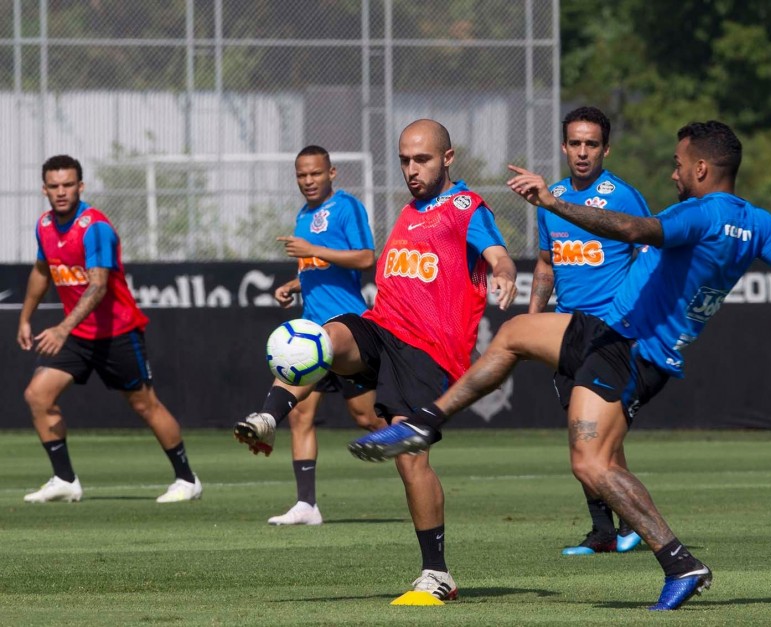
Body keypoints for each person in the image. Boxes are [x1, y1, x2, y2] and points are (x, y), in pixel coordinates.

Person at [348, 121, 771, 610]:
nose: (672, 174)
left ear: (703, 170)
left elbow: (631, 228)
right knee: (516, 335)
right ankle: (426, 420)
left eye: (678, 165)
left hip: (632, 350)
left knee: (591, 464)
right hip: (609, 331)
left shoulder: (702, 214)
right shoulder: (759, 223)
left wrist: (552, 203)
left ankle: (680, 562)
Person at [237, 119, 518, 603]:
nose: (411, 169)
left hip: (429, 351)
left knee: (411, 460)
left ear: (448, 158)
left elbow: (497, 252)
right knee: (318, 340)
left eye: (422, 159)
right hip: (382, 326)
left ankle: (437, 574)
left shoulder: (465, 206)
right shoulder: (410, 211)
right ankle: (267, 416)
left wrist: (505, 271)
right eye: (405, 160)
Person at [18, 154, 203, 504]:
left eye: (68, 185)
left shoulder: (95, 227)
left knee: (145, 405)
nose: (61, 192)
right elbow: (42, 271)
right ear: (44, 189)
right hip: (78, 336)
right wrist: (26, 317)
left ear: (80, 186)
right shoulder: (44, 226)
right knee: (37, 395)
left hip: (117, 332)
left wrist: (61, 329)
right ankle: (65, 479)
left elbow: (98, 286)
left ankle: (187, 479)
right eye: (54, 186)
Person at [233, 145, 385, 525]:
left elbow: (367, 258)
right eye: (302, 175)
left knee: (366, 418)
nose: (308, 181)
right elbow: (317, 267)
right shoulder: (303, 215)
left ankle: (412, 444)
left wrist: (313, 249)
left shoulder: (347, 207)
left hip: (347, 329)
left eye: (315, 174)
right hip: (311, 336)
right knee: (301, 416)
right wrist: (294, 285)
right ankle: (307, 505)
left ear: (332, 173)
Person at [532, 106, 649, 556]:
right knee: (579, 433)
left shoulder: (623, 196)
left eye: (591, 144)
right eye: (575, 144)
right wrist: (534, 319)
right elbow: (546, 265)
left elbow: (650, 255)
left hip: (611, 332)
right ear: (564, 147)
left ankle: (632, 522)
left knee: (600, 434)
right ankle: (603, 531)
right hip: (565, 330)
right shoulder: (551, 198)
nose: (583, 152)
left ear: (606, 148)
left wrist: (638, 315)